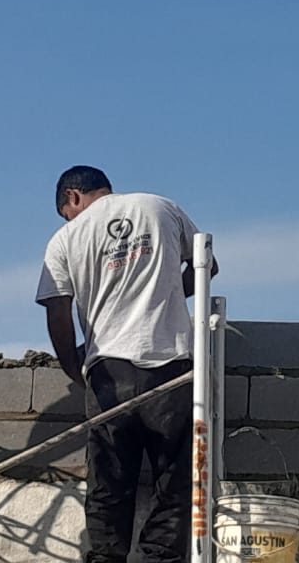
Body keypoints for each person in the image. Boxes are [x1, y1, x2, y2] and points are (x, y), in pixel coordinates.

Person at [36, 165, 216, 563]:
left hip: (107, 373)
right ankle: (159, 558)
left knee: (109, 483)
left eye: (67, 210)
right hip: (171, 366)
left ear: (73, 198)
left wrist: (71, 365)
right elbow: (207, 267)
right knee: (174, 481)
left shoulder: (66, 237)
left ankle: (106, 558)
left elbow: (56, 308)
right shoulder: (160, 207)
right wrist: (167, 293)